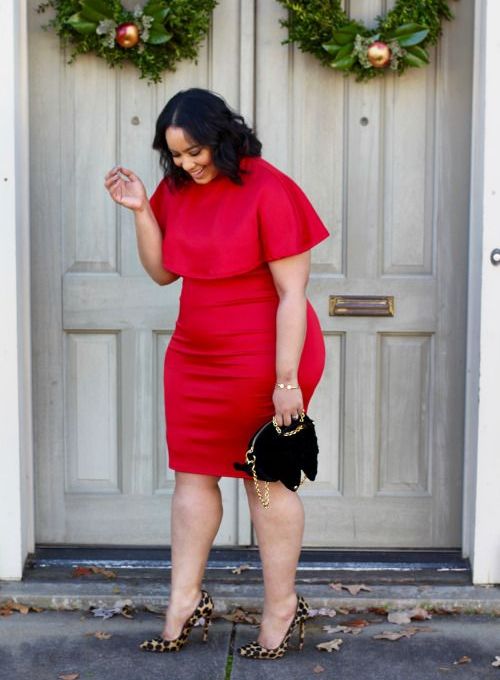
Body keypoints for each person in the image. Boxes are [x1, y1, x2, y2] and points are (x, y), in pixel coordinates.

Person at [103, 87, 329, 660]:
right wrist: (142, 210)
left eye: (194, 152)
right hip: (194, 355)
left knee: (265, 480)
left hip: (265, 355)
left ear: (222, 138)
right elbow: (162, 273)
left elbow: (292, 295)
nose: (185, 164)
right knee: (192, 477)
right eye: (175, 155)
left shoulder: (269, 189)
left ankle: (281, 607)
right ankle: (184, 600)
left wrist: (286, 381)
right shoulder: (178, 188)